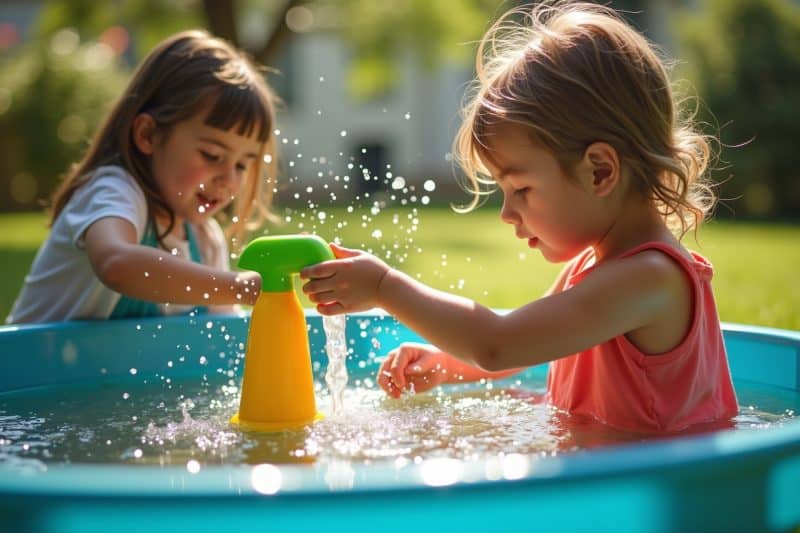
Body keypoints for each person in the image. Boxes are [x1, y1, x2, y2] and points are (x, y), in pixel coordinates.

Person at [301, 2, 738, 433]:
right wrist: (448, 365)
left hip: (650, 492)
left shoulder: (651, 278)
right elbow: (531, 345)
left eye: (521, 190)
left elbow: (499, 344)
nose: (508, 214)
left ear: (600, 171)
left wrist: (384, 287)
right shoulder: (590, 269)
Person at [7, 30, 277, 323]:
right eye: (212, 155)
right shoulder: (113, 192)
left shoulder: (205, 241)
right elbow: (117, 264)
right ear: (148, 135)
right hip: (29, 366)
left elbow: (222, 350)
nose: (228, 179)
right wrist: (239, 287)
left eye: (242, 165)